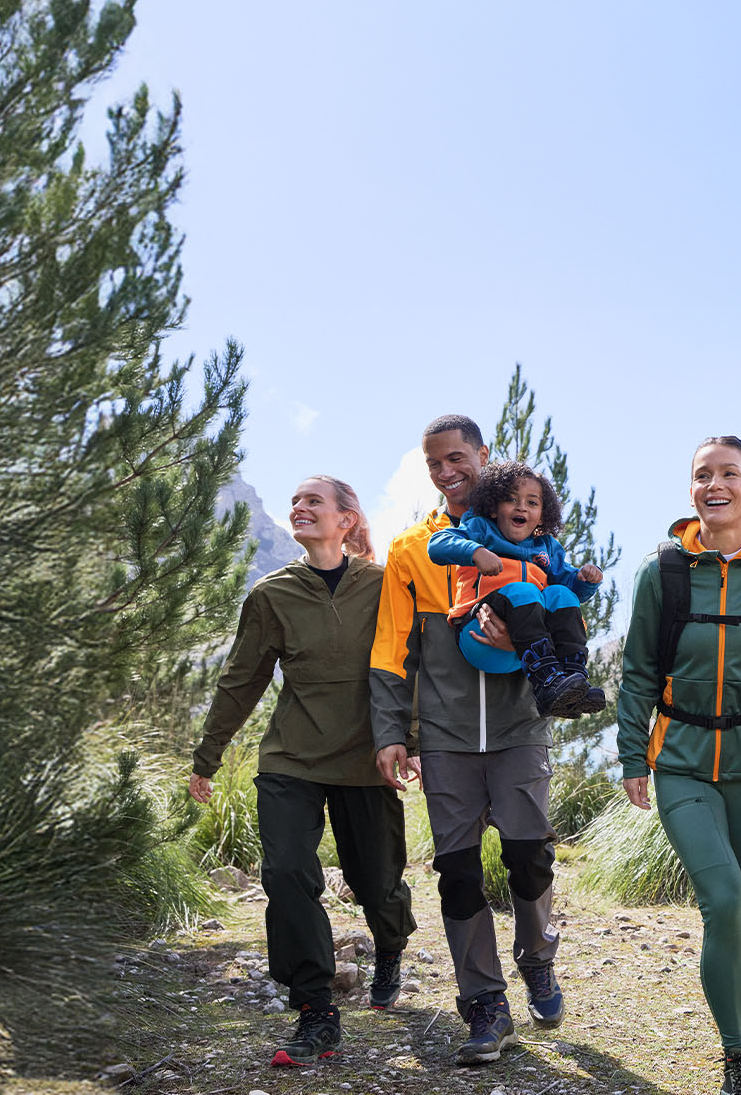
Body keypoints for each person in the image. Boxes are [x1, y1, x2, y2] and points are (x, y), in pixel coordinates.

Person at [189, 476, 416, 1069]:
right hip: (291, 757)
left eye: (314, 500)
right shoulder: (272, 594)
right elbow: (242, 679)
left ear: (347, 519)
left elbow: (409, 664)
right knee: (287, 873)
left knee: (376, 882)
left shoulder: (383, 584)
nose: (300, 507)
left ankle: (390, 944)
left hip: (367, 757)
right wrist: (208, 755)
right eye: (295, 501)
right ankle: (316, 1010)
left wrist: (410, 739)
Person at [369, 416, 566, 1067]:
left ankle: (537, 957)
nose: (446, 471)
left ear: (483, 455)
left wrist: (529, 639)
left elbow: (564, 624)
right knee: (456, 873)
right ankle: (484, 1002)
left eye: (457, 457)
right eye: (434, 463)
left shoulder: (530, 536)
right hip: (447, 737)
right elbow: (392, 649)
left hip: (518, 729)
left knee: (529, 856)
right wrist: (391, 732)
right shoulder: (412, 550)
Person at [616, 436, 741, 1095]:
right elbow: (638, 669)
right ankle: (737, 1053)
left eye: (729, 474)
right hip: (682, 765)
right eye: (702, 475)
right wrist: (633, 755)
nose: (714, 485)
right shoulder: (661, 572)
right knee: (723, 900)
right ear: (691, 489)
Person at [427, 457, 605, 716]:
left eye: (532, 502)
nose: (521, 507)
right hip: (480, 633)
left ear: (542, 515)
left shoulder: (546, 546)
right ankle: (546, 683)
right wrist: (476, 552)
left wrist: (585, 580)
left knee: (561, 593)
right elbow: (438, 544)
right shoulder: (481, 528)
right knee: (525, 590)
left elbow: (571, 589)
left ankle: (572, 680)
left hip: (522, 650)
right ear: (493, 507)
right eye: (511, 499)